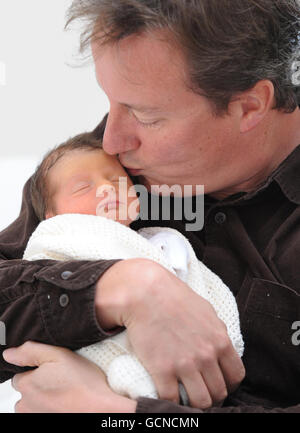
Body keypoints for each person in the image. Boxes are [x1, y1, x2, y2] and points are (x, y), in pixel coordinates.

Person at [1, 0, 300, 413]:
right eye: (111, 103)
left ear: (249, 106)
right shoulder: (118, 166)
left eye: (145, 116)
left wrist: (122, 414)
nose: (111, 141)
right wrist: (122, 288)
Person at [21, 131, 243, 404]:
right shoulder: (58, 239)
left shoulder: (164, 242)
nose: (106, 188)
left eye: (116, 180)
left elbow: (199, 285)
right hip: (92, 356)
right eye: (83, 187)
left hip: (177, 357)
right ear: (51, 217)